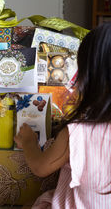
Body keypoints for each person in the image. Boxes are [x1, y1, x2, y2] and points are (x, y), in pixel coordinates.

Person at [14, 22, 111, 208]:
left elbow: (40, 167)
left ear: (86, 75)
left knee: (29, 204)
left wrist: (28, 142)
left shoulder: (77, 133)